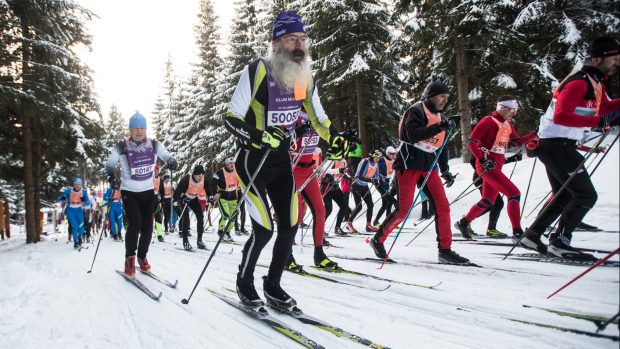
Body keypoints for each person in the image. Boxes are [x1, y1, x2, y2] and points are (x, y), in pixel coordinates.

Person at [224, 11, 346, 308]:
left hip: (281, 164)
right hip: (252, 162)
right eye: (292, 39)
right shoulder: (259, 70)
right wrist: (259, 136)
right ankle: (244, 281)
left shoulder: (301, 77)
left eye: (302, 39)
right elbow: (231, 117)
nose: (299, 45)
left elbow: (318, 117)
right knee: (263, 230)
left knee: (289, 226)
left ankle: (273, 285)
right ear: (277, 43)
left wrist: (335, 137)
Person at [521, 36, 620, 259]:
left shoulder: (594, 82)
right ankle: (560, 241)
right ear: (596, 59)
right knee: (585, 195)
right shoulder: (578, 82)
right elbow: (562, 115)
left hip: (558, 144)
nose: (616, 62)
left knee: (564, 195)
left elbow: (603, 108)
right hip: (556, 145)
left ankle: (533, 235)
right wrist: (599, 123)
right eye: (613, 58)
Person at [369, 80, 469, 264]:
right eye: (441, 96)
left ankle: (445, 250)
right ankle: (378, 240)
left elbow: (441, 146)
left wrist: (445, 170)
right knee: (403, 209)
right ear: (430, 96)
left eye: (447, 98)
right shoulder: (415, 110)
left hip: (428, 168)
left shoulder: (440, 117)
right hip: (408, 164)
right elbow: (412, 135)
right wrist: (442, 126)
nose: (444, 101)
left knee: (443, 206)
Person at [105, 112, 177, 277]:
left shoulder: (155, 144)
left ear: (146, 129)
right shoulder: (122, 146)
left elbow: (167, 156)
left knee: (148, 228)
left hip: (147, 191)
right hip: (129, 191)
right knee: (135, 223)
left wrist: (172, 161)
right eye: (135, 128)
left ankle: (142, 256)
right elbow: (110, 163)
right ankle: (129, 257)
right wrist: (111, 178)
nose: (139, 131)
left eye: (142, 128)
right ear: (130, 129)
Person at [454, 96, 535, 241]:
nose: (513, 113)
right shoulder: (487, 121)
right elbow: (471, 142)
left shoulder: (507, 125)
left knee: (488, 201)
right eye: (512, 110)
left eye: (515, 110)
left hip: (497, 166)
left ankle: (463, 223)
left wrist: (534, 134)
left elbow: (517, 142)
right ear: (503, 108)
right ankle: (517, 232)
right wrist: (483, 159)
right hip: (486, 167)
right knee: (514, 193)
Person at [288, 110, 338, 270]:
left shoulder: (316, 115)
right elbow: (281, 140)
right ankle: (286, 255)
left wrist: (341, 138)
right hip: (292, 169)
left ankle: (319, 254)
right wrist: (299, 130)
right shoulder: (291, 112)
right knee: (294, 217)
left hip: (308, 171)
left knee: (320, 211)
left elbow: (330, 133)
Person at [467, 150, 523, 238]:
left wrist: (513, 158)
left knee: (494, 203)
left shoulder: (497, 143)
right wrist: (484, 169)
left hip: (490, 175)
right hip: (481, 177)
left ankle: (468, 221)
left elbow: (496, 161)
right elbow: (473, 160)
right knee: (495, 203)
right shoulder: (481, 142)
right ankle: (468, 221)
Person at [174, 165, 211, 250]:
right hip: (184, 199)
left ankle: (199, 241)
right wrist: (181, 200)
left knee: (200, 217)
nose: (200, 177)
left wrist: (211, 196)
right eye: (198, 175)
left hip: (193, 199)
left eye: (201, 175)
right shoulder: (186, 179)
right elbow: (176, 194)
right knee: (186, 218)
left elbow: (209, 190)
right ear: (194, 174)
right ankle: (185, 241)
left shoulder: (204, 180)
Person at [348, 150, 382, 233]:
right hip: (357, 185)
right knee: (359, 207)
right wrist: (371, 180)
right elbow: (359, 176)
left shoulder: (376, 164)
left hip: (364, 186)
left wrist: (377, 180)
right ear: (372, 156)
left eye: (379, 157)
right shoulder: (366, 162)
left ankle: (368, 225)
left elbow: (377, 176)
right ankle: (349, 223)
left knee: (370, 204)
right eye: (376, 157)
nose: (378, 159)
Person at [211, 157, 240, 242]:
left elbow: (242, 182)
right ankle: (220, 232)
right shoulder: (219, 173)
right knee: (225, 215)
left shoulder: (237, 171)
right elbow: (213, 184)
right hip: (222, 197)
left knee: (233, 217)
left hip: (233, 197)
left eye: (233, 163)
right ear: (226, 164)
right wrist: (214, 193)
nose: (232, 165)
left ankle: (227, 233)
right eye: (230, 163)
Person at [57, 178, 90, 249]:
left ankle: (79, 237)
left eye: (79, 184)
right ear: (74, 184)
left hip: (79, 211)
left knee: (81, 227)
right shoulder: (68, 191)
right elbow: (59, 198)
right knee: (75, 226)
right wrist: (62, 198)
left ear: (81, 185)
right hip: (70, 211)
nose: (77, 186)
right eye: (76, 184)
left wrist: (85, 201)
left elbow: (88, 202)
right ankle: (75, 242)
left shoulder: (83, 192)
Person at [322, 158, 352, 236]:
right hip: (326, 187)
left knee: (344, 206)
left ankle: (337, 228)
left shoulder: (343, 161)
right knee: (328, 209)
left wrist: (347, 177)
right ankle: (320, 228)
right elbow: (324, 170)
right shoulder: (331, 160)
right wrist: (336, 171)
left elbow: (344, 171)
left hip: (335, 187)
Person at [373, 146, 397, 227]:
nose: (393, 155)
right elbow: (374, 168)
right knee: (390, 200)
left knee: (385, 203)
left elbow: (395, 172)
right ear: (387, 153)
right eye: (392, 154)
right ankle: (388, 220)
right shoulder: (381, 160)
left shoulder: (394, 161)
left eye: (394, 154)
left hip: (386, 183)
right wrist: (376, 179)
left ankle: (376, 221)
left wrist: (393, 181)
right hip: (380, 184)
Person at [152, 166, 165, 242]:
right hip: (148, 199)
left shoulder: (160, 180)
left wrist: (162, 201)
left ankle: (159, 234)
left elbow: (162, 192)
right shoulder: (149, 178)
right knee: (146, 217)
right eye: (154, 170)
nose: (155, 172)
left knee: (158, 217)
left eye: (157, 170)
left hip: (156, 200)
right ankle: (143, 231)